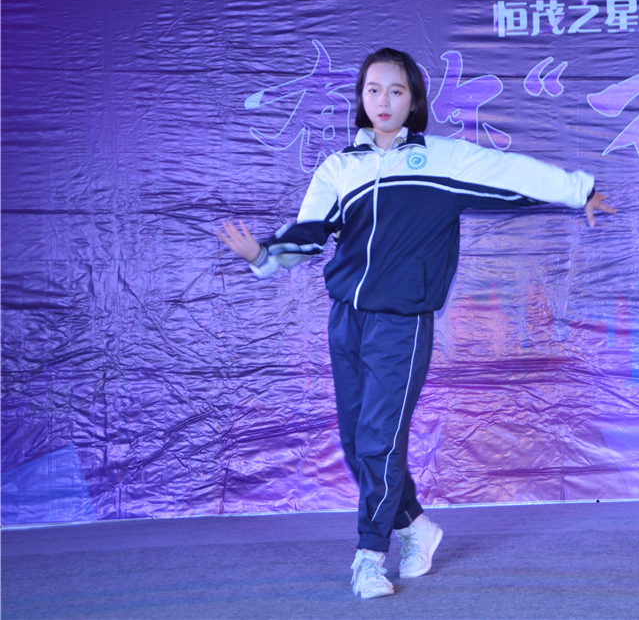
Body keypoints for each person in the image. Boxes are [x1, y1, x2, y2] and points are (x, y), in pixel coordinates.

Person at [218, 47, 615, 599]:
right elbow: (309, 232)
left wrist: (578, 190)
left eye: (396, 90)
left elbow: (511, 173)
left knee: (378, 439)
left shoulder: (441, 160)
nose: (384, 100)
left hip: (401, 323)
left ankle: (369, 556)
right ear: (361, 98)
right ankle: (415, 527)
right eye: (373, 89)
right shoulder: (340, 167)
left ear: (413, 101)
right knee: (358, 443)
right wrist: (262, 256)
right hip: (346, 320)